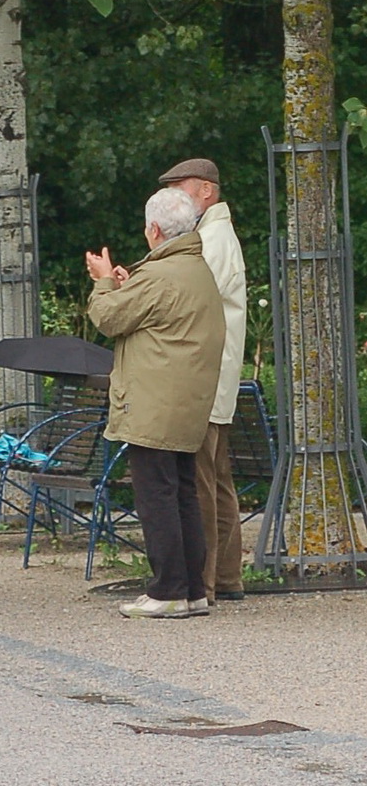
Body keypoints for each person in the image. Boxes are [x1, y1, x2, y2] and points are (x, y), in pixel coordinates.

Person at [86, 188, 224, 619]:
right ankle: (193, 590)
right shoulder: (193, 268)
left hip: (153, 404)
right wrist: (130, 286)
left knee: (156, 497)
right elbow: (151, 312)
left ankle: (167, 591)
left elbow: (108, 318)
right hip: (186, 403)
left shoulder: (161, 275)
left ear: (154, 230)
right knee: (183, 493)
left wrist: (105, 280)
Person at [157, 158, 247, 604]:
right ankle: (227, 577)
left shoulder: (209, 240)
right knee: (219, 479)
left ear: (206, 191)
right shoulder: (217, 236)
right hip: (219, 373)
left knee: (200, 482)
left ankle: (204, 582)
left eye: (182, 189)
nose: (176, 198)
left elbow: (185, 298)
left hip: (204, 374)